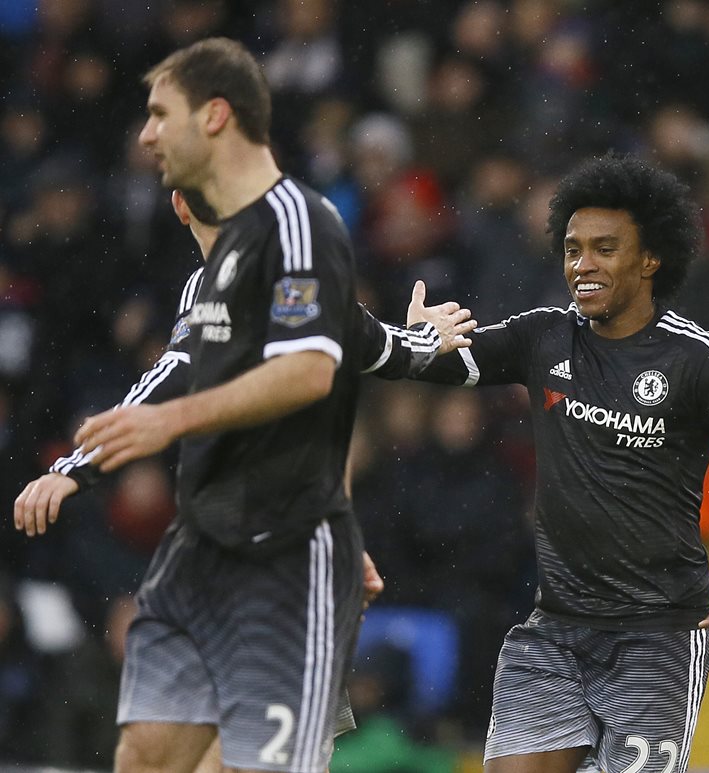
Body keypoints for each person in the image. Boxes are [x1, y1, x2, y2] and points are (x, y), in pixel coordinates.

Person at [11, 38, 471, 773]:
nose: (145, 135)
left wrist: (169, 424)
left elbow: (312, 371)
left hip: (290, 557)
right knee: (144, 756)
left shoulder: (303, 227)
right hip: (203, 548)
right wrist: (76, 468)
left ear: (216, 118)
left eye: (162, 114)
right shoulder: (209, 282)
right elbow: (173, 374)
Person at [371, 153, 709, 773]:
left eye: (604, 248)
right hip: (554, 629)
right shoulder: (544, 335)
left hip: (656, 636)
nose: (583, 265)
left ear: (650, 259)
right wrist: (414, 340)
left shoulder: (699, 358)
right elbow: (438, 361)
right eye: (573, 248)